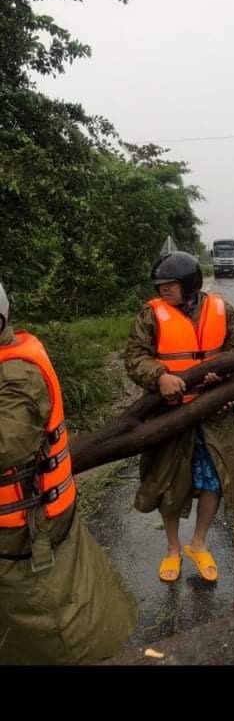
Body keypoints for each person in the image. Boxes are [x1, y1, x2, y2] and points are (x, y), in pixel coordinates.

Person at [0, 282, 137, 665]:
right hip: (25, 519)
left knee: (50, 617)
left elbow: (6, 446)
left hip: (25, 526)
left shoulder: (17, 374)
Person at [124, 251, 234, 583]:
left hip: (214, 409)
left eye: (170, 285)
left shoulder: (223, 310)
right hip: (170, 413)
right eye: (160, 285)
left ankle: (198, 543)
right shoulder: (150, 315)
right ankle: (172, 549)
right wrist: (159, 376)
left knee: (215, 480)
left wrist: (221, 373)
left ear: (190, 284)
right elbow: (135, 357)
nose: (163, 290)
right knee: (169, 484)